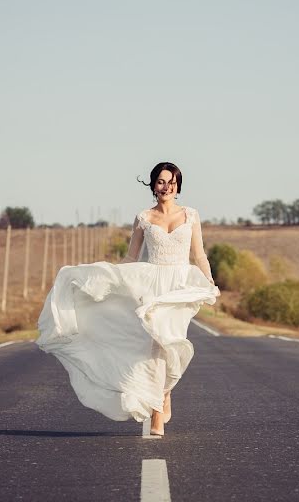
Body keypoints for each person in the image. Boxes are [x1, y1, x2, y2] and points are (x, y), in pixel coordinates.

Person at [36, 161, 220, 436]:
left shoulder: (190, 216)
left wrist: (209, 281)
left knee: (171, 345)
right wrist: (114, 283)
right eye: (160, 181)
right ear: (153, 185)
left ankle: (165, 391)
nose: (166, 187)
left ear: (178, 185)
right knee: (156, 345)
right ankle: (158, 413)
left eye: (171, 182)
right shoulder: (144, 218)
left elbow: (199, 255)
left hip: (178, 287)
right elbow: (131, 257)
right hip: (151, 284)